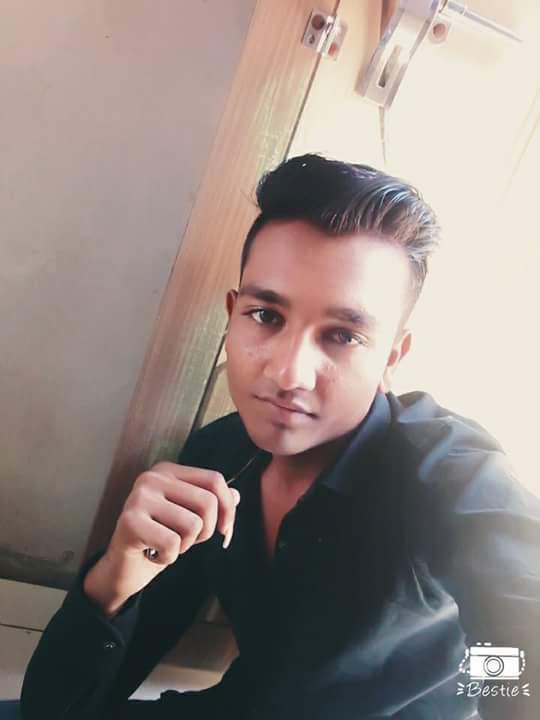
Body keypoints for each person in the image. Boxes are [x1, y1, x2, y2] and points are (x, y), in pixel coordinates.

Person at [12, 154, 539, 719]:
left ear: (392, 355)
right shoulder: (217, 456)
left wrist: (494, 693)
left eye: (342, 336)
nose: (289, 374)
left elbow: (519, 632)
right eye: (266, 316)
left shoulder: (450, 470)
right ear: (232, 314)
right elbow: (58, 710)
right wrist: (117, 574)